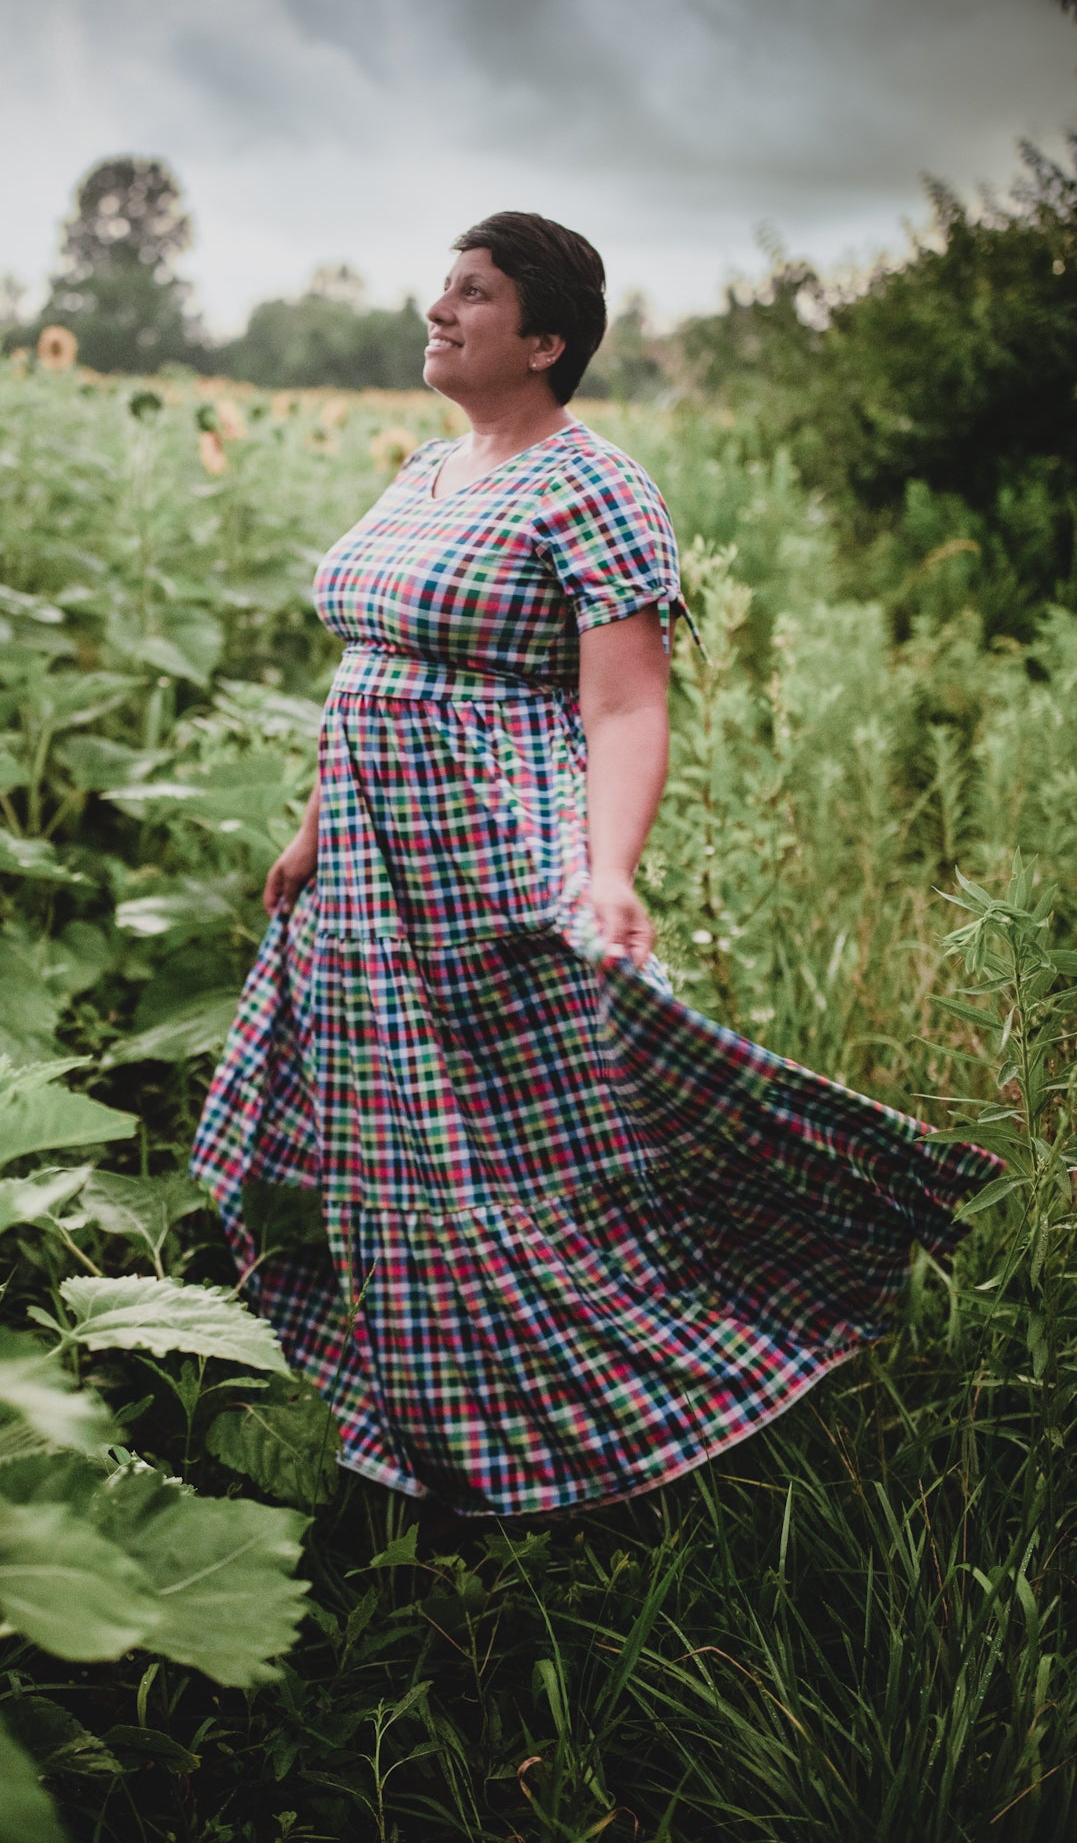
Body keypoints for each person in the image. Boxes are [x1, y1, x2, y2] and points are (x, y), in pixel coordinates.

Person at [188, 211, 1000, 1518]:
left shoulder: (594, 486)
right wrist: (312, 826)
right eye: (441, 288)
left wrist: (606, 872)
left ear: (545, 338)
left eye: (474, 295)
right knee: (397, 1150)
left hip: (488, 856)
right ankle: (410, 1414)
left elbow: (625, 708)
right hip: (367, 873)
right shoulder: (420, 470)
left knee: (530, 1152)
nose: (439, 311)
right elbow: (371, 674)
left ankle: (630, 1400)